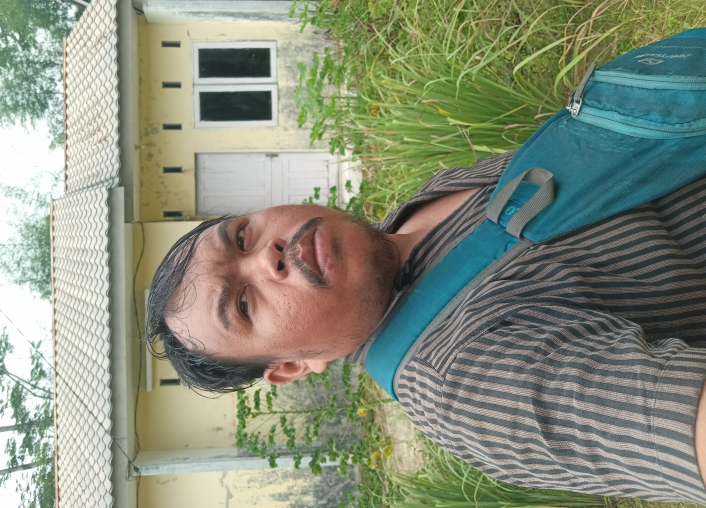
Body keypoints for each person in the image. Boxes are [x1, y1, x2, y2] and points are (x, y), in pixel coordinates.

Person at [145, 150, 706, 504]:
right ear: (292, 366)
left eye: (243, 236)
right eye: (244, 304)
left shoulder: (426, 202)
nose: (268, 256)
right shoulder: (465, 383)